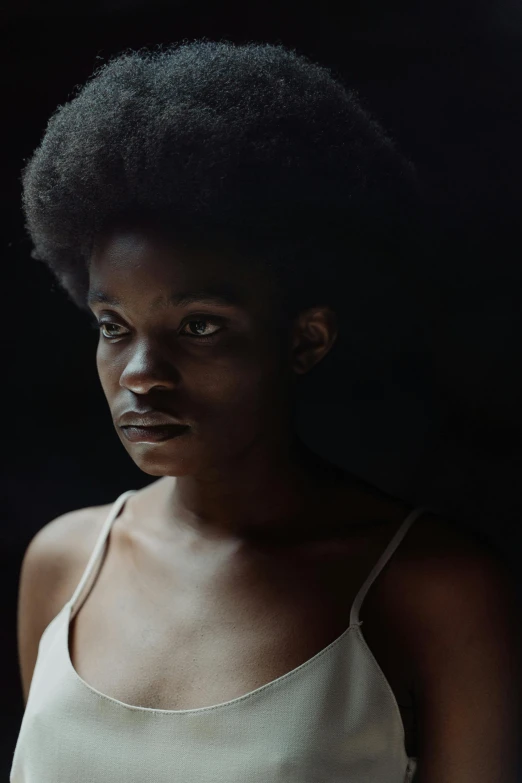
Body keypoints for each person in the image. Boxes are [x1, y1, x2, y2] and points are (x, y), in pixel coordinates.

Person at [12, 40, 520, 783]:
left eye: (199, 326)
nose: (142, 376)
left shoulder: (435, 590)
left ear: (305, 340)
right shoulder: (62, 565)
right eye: (114, 327)